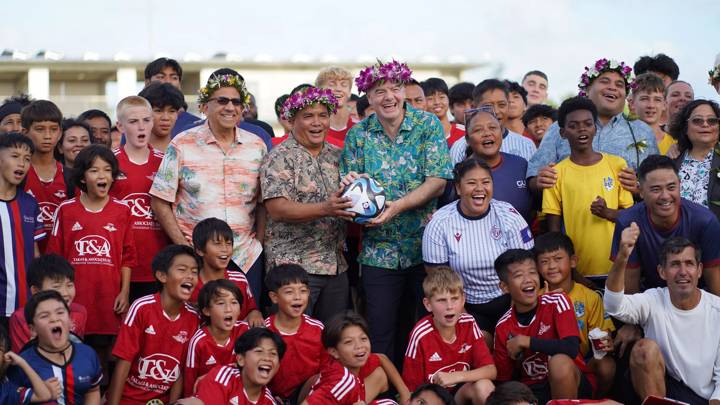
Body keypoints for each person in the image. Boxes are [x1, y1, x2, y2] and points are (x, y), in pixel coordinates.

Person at [341, 60, 452, 363]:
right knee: (380, 332)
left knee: (423, 329)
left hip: (426, 249)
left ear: (404, 91)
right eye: (379, 91)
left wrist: (398, 206)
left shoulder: (427, 125)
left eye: (395, 88)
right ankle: (386, 393)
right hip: (379, 252)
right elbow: (348, 193)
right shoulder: (358, 136)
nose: (388, 96)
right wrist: (348, 187)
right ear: (369, 97)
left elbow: (438, 181)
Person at [150, 70, 268, 299]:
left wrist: (259, 243)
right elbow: (160, 200)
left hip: (245, 256)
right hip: (197, 258)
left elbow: (263, 203)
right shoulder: (182, 143)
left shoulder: (257, 146)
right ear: (205, 106)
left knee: (244, 326)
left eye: (236, 101)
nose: (230, 107)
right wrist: (184, 246)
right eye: (222, 100)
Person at [262, 86, 353, 323]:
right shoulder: (279, 156)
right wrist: (326, 208)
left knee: (333, 340)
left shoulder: (338, 155)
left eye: (323, 115)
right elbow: (277, 208)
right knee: (293, 339)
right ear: (292, 120)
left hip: (336, 267)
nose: (317, 122)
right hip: (294, 271)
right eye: (308, 116)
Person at [423, 158, 534, 345]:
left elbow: (526, 267)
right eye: (472, 183)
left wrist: (514, 318)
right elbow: (439, 279)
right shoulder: (440, 222)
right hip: (467, 305)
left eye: (486, 182)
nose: (480, 189)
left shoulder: (508, 214)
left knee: (514, 345)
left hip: (511, 300)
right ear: (458, 188)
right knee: (481, 343)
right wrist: (467, 320)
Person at [46, 145, 136, 371]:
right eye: (95, 170)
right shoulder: (66, 210)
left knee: (105, 356)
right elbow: (54, 258)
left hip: (109, 298)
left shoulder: (122, 210)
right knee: (72, 353)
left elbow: (127, 257)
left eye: (107, 170)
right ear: (83, 178)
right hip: (75, 300)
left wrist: (124, 292)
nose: (102, 176)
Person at [606, 229, 720, 405]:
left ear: (699, 270)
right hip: (662, 394)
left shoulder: (717, 310)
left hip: (705, 399)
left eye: (689, 263)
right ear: (662, 272)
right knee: (644, 349)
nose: (683, 271)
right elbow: (614, 306)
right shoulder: (653, 299)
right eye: (675, 264)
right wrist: (622, 257)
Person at [528, 58, 658, 194]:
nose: (613, 87)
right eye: (605, 81)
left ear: (625, 95)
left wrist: (637, 188)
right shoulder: (560, 127)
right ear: (588, 89)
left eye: (619, 84)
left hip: (624, 214)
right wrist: (539, 181)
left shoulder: (643, 132)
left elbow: (656, 184)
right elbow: (533, 178)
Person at [543, 97, 634, 278]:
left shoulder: (617, 165)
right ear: (562, 133)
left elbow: (632, 218)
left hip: (619, 269)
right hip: (579, 273)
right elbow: (554, 232)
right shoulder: (556, 173)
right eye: (573, 126)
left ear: (595, 128)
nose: (582, 129)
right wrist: (572, 272)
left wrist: (607, 212)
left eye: (587, 123)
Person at [492, 249, 594, 404]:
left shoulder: (556, 301)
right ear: (505, 287)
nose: (528, 280)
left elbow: (571, 347)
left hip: (571, 381)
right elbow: (503, 380)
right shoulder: (503, 326)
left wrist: (526, 341)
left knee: (559, 363)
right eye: (519, 276)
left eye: (532, 272)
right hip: (531, 392)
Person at [610, 155, 720, 294]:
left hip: (697, 301)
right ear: (641, 192)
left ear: (680, 185)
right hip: (649, 301)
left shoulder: (705, 221)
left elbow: (716, 288)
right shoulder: (628, 222)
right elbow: (631, 292)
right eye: (656, 189)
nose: (665, 196)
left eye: (671, 187)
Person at [108, 244, 200, 405]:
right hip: (129, 399)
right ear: (162, 276)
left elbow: (179, 372)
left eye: (194, 271)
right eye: (182, 269)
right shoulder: (142, 308)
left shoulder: (193, 318)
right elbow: (124, 362)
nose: (190, 276)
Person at [534, 233, 616, 396]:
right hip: (542, 365)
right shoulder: (536, 298)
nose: (551, 266)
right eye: (544, 261)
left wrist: (606, 343)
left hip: (581, 363)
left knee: (607, 365)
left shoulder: (590, 297)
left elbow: (602, 334)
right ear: (537, 267)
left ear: (573, 261)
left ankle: (595, 399)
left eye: (558, 259)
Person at [402, 267, 496, 403]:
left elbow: (491, 370)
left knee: (484, 386)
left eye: (454, 298)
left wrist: (456, 376)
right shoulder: (420, 334)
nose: (449, 306)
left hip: (460, 394)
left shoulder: (469, 323)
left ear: (463, 300)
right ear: (428, 305)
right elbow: (410, 391)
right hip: (433, 400)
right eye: (441, 300)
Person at [111, 96, 170, 304]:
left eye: (146, 120)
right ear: (120, 126)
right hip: (120, 266)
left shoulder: (166, 162)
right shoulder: (109, 162)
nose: (141, 127)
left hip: (159, 265)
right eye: (133, 122)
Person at [9, 290, 101, 404]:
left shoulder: (88, 354)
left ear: (70, 320)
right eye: (44, 316)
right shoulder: (22, 364)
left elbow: (93, 390)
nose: (54, 319)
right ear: (32, 329)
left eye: (60, 312)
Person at [302, 312, 402, 405]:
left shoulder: (350, 363)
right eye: (349, 342)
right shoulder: (343, 381)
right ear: (334, 352)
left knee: (380, 376)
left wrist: (405, 394)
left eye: (363, 339)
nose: (359, 346)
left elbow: (381, 358)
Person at [263, 264, 328, 403]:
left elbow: (326, 371)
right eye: (289, 292)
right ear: (274, 297)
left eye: (303, 291)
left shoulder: (318, 329)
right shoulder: (264, 331)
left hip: (308, 397)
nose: (297, 297)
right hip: (270, 397)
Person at [0, 133, 44, 328]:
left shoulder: (30, 203)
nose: (22, 164)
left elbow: (35, 255)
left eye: (27, 159)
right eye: (15, 156)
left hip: (24, 308)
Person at [459, 109, 533, 223]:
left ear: (501, 133)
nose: (487, 133)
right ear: (468, 139)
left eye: (493, 128)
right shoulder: (460, 172)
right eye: (478, 130)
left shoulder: (520, 164)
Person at [185, 327, 285, 405]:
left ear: (278, 366)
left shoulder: (269, 401)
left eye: (273, 354)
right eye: (259, 351)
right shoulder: (222, 377)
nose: (267, 358)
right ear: (240, 359)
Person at [190, 218, 262, 325]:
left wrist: (255, 313)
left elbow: (251, 309)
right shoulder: (190, 284)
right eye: (217, 244)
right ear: (200, 250)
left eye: (228, 243)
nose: (225, 249)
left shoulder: (240, 280)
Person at [9, 254, 87, 353]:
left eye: (69, 285)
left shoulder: (79, 312)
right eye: (56, 287)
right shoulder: (20, 318)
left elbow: (78, 349)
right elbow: (23, 358)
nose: (65, 293)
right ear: (36, 291)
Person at [21, 100, 71, 252]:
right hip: (26, 262)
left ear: (60, 132)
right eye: (40, 129)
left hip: (61, 266)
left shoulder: (70, 177)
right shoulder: (18, 175)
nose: (48, 136)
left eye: (53, 129)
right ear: (25, 132)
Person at [184, 279, 249, 396]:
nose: (228, 309)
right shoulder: (199, 342)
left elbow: (254, 366)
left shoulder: (245, 331)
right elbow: (190, 384)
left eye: (234, 302)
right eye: (221, 303)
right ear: (207, 311)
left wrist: (213, 374)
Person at [450, 79, 537, 165]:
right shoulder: (460, 147)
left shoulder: (526, 145)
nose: (496, 111)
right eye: (488, 106)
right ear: (475, 107)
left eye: (502, 105)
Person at [669, 99, 720, 218]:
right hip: (677, 233)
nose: (705, 124)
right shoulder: (672, 160)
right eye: (697, 120)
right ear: (685, 127)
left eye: (712, 120)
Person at [143, 57, 199, 138]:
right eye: (161, 77)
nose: (168, 81)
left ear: (179, 84)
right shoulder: (134, 122)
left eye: (174, 78)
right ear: (147, 82)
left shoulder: (195, 124)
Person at [0, 322, 54, 404]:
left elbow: (44, 395)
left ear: (5, 357)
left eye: (0, 349)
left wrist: (22, 362)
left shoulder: (7, 391)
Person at [630, 73, 676, 155]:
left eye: (657, 100)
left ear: (664, 105)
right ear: (632, 103)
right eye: (644, 99)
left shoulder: (674, 145)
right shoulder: (620, 139)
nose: (651, 105)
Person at [138, 81, 185, 152]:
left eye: (172, 111)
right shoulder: (131, 152)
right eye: (158, 111)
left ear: (178, 114)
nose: (165, 118)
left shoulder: (185, 151)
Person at [316, 66, 357, 145]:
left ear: (349, 93)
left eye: (344, 85)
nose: (338, 89)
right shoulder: (313, 126)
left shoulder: (360, 125)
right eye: (332, 84)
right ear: (320, 92)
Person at [422, 78, 465, 146]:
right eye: (430, 98)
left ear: (448, 99)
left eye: (442, 97)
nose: (437, 102)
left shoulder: (464, 133)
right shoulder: (419, 136)